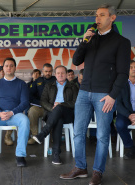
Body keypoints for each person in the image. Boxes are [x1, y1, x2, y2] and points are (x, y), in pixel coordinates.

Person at [60, 4, 131, 185]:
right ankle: (80, 167)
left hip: (104, 96)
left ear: (112, 18)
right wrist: (84, 41)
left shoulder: (121, 42)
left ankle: (98, 171)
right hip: (84, 93)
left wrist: (113, 96)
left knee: (101, 135)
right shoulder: (90, 38)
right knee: (78, 132)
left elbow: (123, 73)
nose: (97, 18)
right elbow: (76, 61)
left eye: (101, 15)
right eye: (96, 15)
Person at [33, 65, 78, 164]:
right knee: (58, 119)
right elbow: (43, 101)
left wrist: (61, 104)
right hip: (52, 113)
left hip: (67, 113)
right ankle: (56, 155)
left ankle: (43, 133)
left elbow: (75, 102)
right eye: (58, 73)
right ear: (55, 74)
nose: (60, 75)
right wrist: (52, 107)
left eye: (62, 73)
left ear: (66, 74)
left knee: (59, 110)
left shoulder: (73, 86)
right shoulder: (49, 86)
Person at [27, 63, 56, 144]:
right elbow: (30, 95)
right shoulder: (38, 81)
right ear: (43, 71)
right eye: (46, 71)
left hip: (53, 107)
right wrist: (39, 103)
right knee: (32, 111)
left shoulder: (56, 80)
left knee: (57, 112)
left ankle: (55, 136)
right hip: (40, 107)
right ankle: (35, 136)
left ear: (52, 71)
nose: (48, 73)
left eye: (50, 71)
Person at [115, 60, 135, 159]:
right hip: (125, 112)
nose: (134, 69)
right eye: (131, 67)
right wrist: (129, 115)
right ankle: (131, 147)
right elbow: (117, 103)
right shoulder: (120, 83)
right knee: (119, 124)